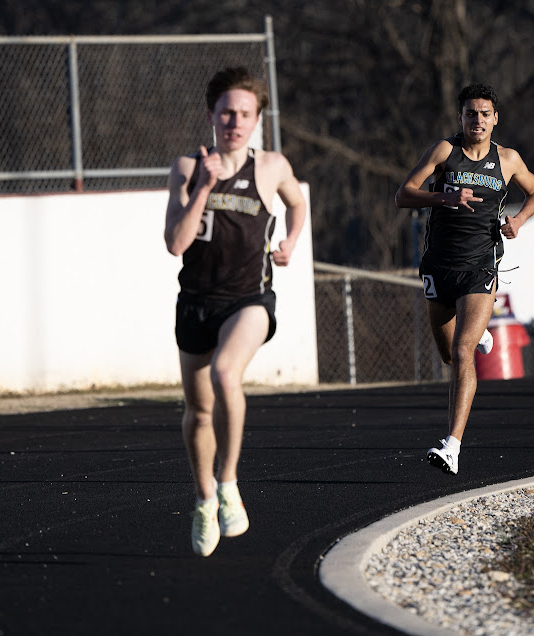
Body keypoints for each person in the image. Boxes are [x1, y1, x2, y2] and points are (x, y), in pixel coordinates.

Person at [164, 66, 306, 556]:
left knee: (226, 373)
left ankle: (228, 484)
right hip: (196, 303)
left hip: (250, 300)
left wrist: (290, 240)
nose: (235, 122)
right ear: (211, 115)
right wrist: (204, 187)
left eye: (245, 114)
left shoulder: (271, 167)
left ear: (257, 120)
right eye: (227, 113)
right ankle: (204, 498)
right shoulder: (187, 168)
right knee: (199, 411)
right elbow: (175, 244)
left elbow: (297, 203)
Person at [395, 83, 534, 475]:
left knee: (463, 353)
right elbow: (403, 194)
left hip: (481, 266)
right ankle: (477, 334)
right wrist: (444, 197)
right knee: (449, 354)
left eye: (484, 113)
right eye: (470, 113)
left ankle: (452, 446)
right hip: (439, 265)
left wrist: (519, 220)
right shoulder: (444, 152)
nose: (477, 120)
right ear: (460, 117)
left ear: (495, 119)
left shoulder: (508, 159)